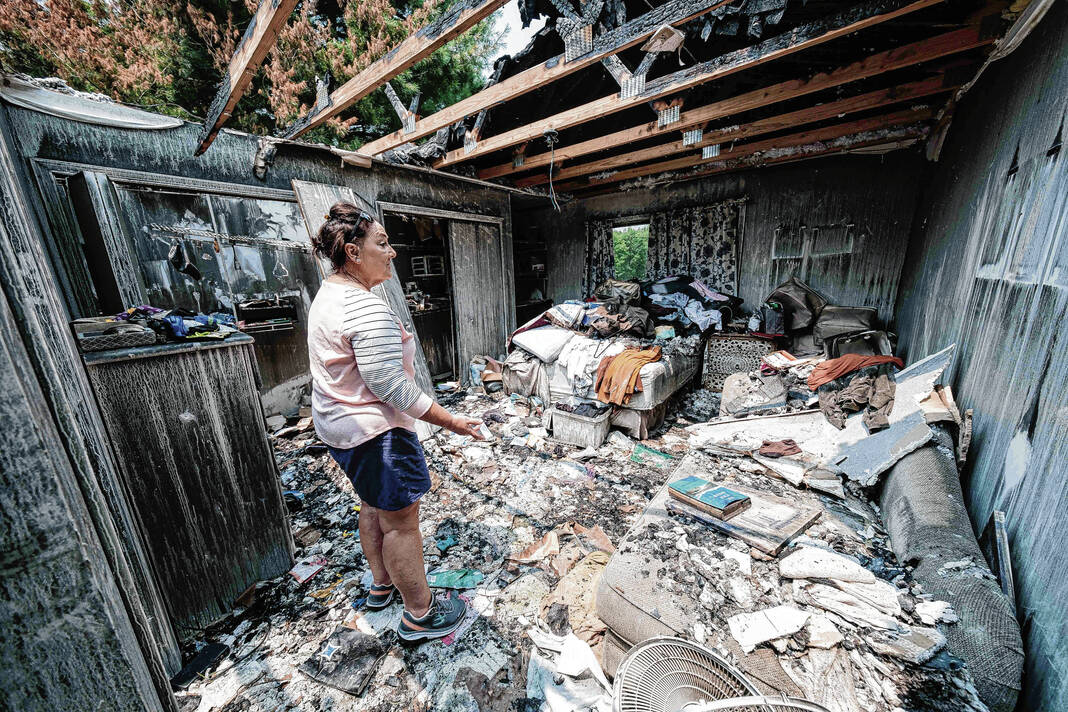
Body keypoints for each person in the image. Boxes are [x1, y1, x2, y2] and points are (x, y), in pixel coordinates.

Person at [307, 202, 484, 642]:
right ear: (353, 252)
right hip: (376, 434)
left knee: (373, 504)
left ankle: (382, 585)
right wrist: (452, 421)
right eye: (382, 244)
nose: (392, 252)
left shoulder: (328, 294)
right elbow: (392, 387)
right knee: (401, 524)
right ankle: (420, 614)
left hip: (339, 427)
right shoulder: (364, 308)